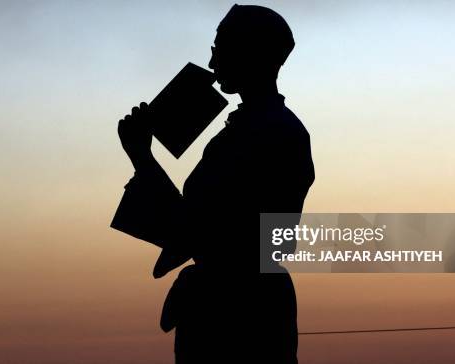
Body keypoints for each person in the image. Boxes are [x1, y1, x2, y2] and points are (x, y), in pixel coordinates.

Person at [117, 4, 315, 363]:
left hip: (237, 312)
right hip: (246, 303)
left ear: (248, 53)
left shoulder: (265, 132)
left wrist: (142, 158)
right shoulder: (269, 129)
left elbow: (197, 228)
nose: (212, 63)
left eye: (219, 48)